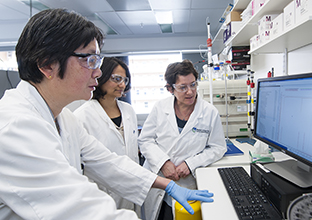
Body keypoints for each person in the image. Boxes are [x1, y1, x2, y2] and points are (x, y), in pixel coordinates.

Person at [0, 9, 214, 219]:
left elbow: (109, 163)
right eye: (89, 60)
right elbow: (80, 210)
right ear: (47, 65)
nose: (99, 72)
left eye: (97, 61)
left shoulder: (65, 119)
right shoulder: (15, 126)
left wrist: (167, 185)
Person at [138, 59, 227, 220]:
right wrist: (163, 163)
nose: (190, 92)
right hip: (159, 179)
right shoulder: (160, 107)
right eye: (183, 87)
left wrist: (190, 164)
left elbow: (218, 147)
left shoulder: (209, 112)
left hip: (187, 183)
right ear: (170, 89)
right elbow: (145, 140)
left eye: (193, 85)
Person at [74, 57, 141, 216]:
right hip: (102, 193)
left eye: (125, 80)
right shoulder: (82, 116)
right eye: (117, 79)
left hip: (132, 188)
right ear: (101, 77)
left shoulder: (128, 111)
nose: (122, 85)